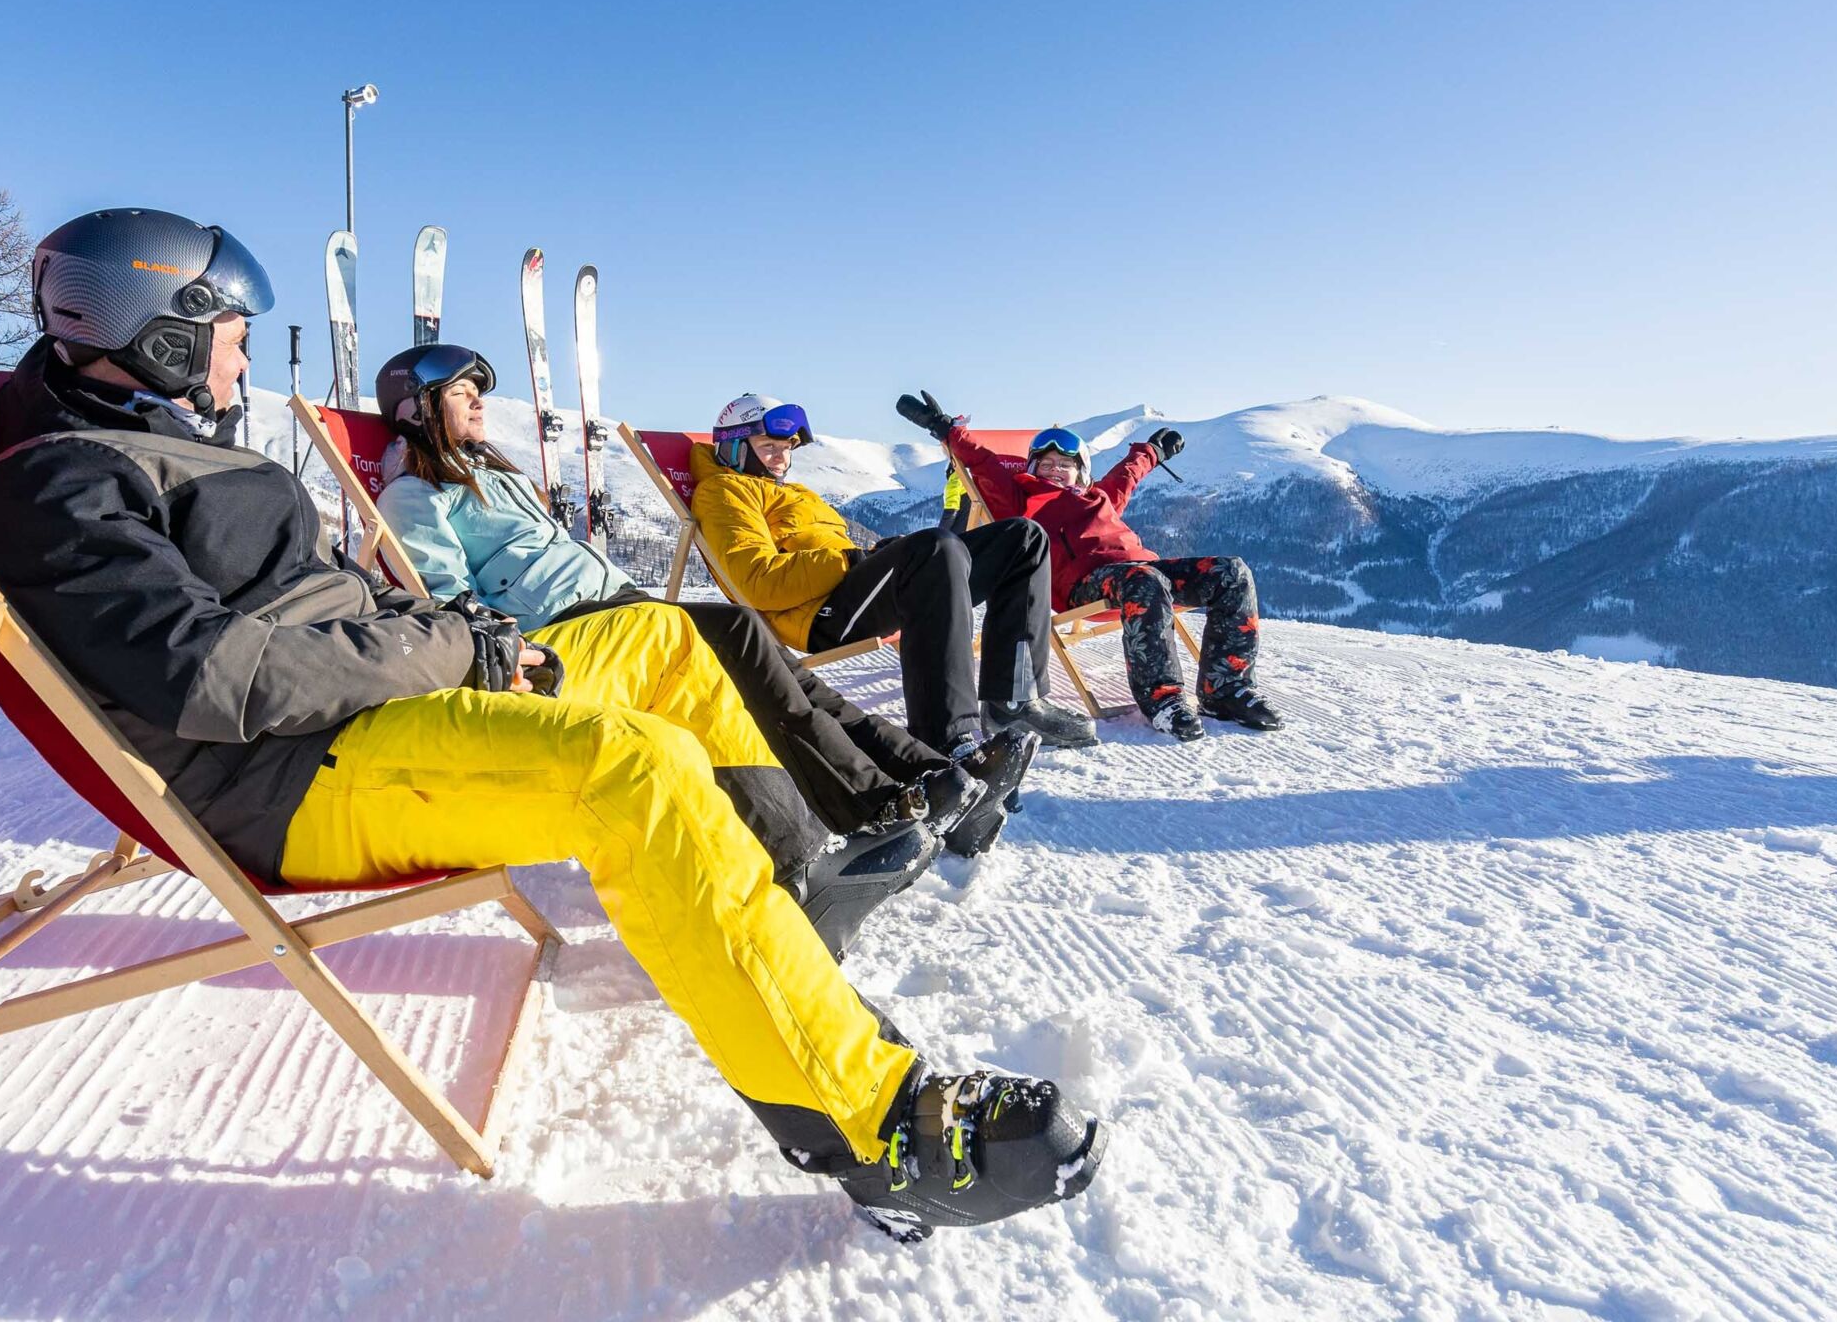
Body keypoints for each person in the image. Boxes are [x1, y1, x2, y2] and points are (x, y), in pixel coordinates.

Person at [0, 208, 1106, 1241]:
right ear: (160, 330)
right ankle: (880, 1130)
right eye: (231, 330)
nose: (245, 352)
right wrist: (461, 646)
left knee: (667, 641)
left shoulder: (166, 443)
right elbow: (218, 678)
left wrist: (463, 634)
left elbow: (331, 604)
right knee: (631, 766)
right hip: (292, 774)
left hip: (378, 705)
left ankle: (788, 895)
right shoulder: (62, 484)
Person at [369, 343, 1029, 954]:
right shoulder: (412, 496)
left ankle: (926, 780)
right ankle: (881, 803)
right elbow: (450, 603)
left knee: (775, 665)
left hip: (617, 610)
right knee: (740, 641)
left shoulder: (492, 478)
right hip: (562, 635)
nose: (480, 401)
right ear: (417, 409)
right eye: (462, 393)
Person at [689, 394, 1099, 758]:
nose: (781, 457)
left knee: (1022, 538)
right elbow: (758, 581)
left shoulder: (795, 492)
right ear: (733, 446)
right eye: (768, 447)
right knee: (935, 549)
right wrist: (854, 560)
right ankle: (946, 739)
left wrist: (876, 556)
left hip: (854, 589)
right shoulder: (725, 492)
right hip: (822, 615)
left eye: (785, 448)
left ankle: (1013, 700)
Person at [899, 390, 1283, 741]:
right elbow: (982, 462)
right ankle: (1162, 699)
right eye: (1044, 462)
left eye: (1063, 463)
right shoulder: (1020, 498)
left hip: (1141, 574)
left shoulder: (1099, 497)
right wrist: (944, 428)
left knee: (1231, 571)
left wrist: (1153, 450)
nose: (1052, 469)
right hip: (1084, 584)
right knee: (1143, 580)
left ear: (1081, 471)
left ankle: (1226, 689)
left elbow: (1127, 474)